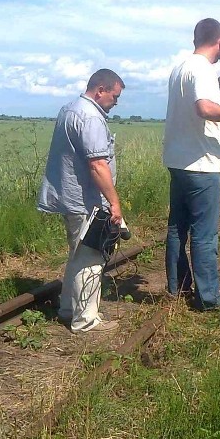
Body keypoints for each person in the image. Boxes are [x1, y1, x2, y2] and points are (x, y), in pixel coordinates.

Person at [162, 18, 220, 311]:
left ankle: (178, 286)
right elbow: (203, 108)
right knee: (204, 233)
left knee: (178, 227)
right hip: (201, 164)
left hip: (178, 161)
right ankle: (209, 298)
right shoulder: (201, 69)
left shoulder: (180, 68)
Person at [37, 69, 125, 333]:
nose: (116, 102)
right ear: (100, 90)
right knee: (90, 259)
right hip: (86, 201)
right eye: (114, 96)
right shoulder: (90, 118)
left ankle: (67, 308)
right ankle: (86, 320)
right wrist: (114, 203)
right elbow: (98, 165)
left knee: (77, 255)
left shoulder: (70, 109)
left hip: (70, 197)